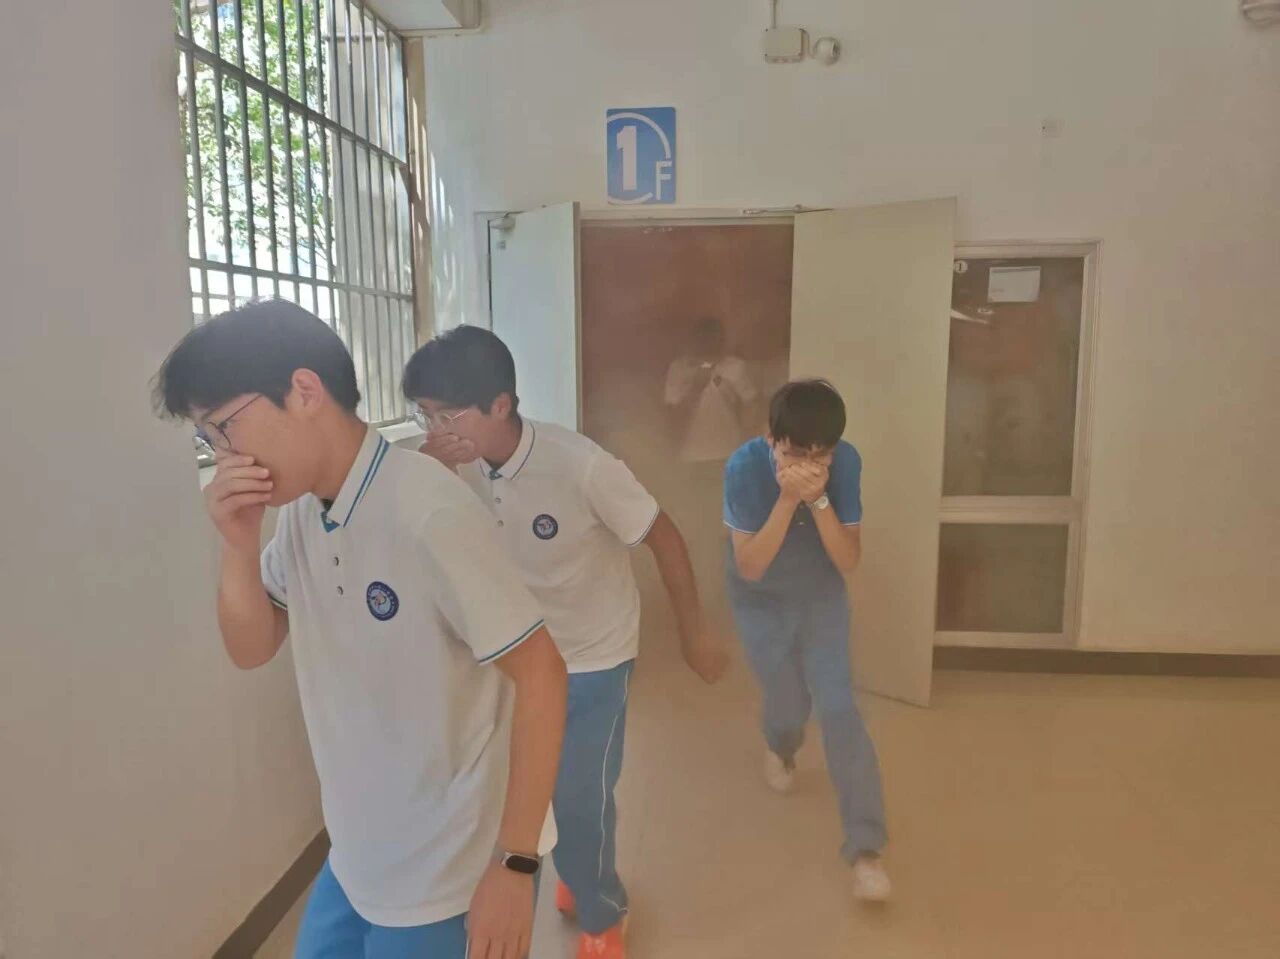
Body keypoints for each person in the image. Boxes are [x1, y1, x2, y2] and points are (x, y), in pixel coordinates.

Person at [152, 300, 567, 959]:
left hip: (450, 871)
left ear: (304, 391)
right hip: (359, 855)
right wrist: (237, 545)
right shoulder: (301, 509)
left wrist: (515, 864)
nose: (225, 455)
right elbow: (252, 648)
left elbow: (542, 672)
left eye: (224, 428)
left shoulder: (428, 510)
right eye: (210, 441)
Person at [404, 325, 728, 959]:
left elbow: (663, 537)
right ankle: (569, 872)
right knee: (509, 790)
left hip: (593, 657)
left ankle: (601, 905)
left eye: (447, 415)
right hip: (512, 658)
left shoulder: (581, 466)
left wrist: (693, 633)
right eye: (425, 415)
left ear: (501, 404)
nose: (435, 431)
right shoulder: (444, 468)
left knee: (579, 796)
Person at [722, 379, 892, 902]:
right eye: (796, 453)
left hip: (821, 598)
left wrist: (818, 502)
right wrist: (787, 498)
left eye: (821, 455)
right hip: (761, 601)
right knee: (788, 703)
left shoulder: (847, 464)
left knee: (840, 709)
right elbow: (750, 566)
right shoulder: (744, 468)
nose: (810, 464)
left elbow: (848, 560)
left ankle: (866, 851)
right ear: (772, 438)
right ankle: (781, 745)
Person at [663, 316, 758, 464]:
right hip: (692, 455)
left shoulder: (736, 367)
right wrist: (696, 387)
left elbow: (752, 407)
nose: (709, 343)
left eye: (715, 338)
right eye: (703, 338)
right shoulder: (679, 369)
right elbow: (672, 416)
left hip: (730, 453)